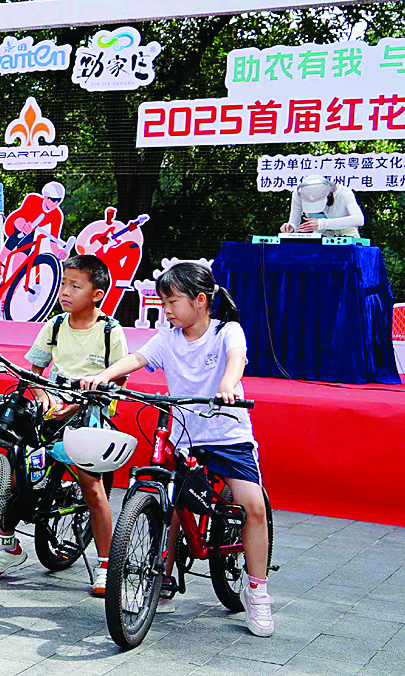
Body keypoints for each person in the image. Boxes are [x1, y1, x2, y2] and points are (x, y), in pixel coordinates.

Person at [83, 260, 273, 637]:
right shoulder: (168, 338)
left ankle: (257, 593)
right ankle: (162, 577)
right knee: (165, 502)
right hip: (183, 435)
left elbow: (237, 359)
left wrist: (229, 385)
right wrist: (104, 376)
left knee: (253, 506)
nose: (166, 309)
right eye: (163, 302)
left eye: (172, 302)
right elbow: (136, 359)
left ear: (200, 300)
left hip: (227, 435)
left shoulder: (225, 331)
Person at [0, 253, 127, 587]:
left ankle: (106, 565)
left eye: (75, 286)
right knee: (14, 474)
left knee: (91, 486)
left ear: (96, 295)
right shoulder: (56, 325)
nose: (65, 291)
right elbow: (33, 373)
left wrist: (78, 403)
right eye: (63, 283)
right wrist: (45, 397)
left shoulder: (109, 331)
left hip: (90, 416)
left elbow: (119, 380)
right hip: (50, 412)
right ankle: (6, 544)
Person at [283, 174, 363, 236]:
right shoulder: (298, 194)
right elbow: (294, 222)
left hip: (346, 229)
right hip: (321, 232)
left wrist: (321, 223)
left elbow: (359, 219)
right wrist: (291, 228)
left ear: (329, 194)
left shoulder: (344, 193)